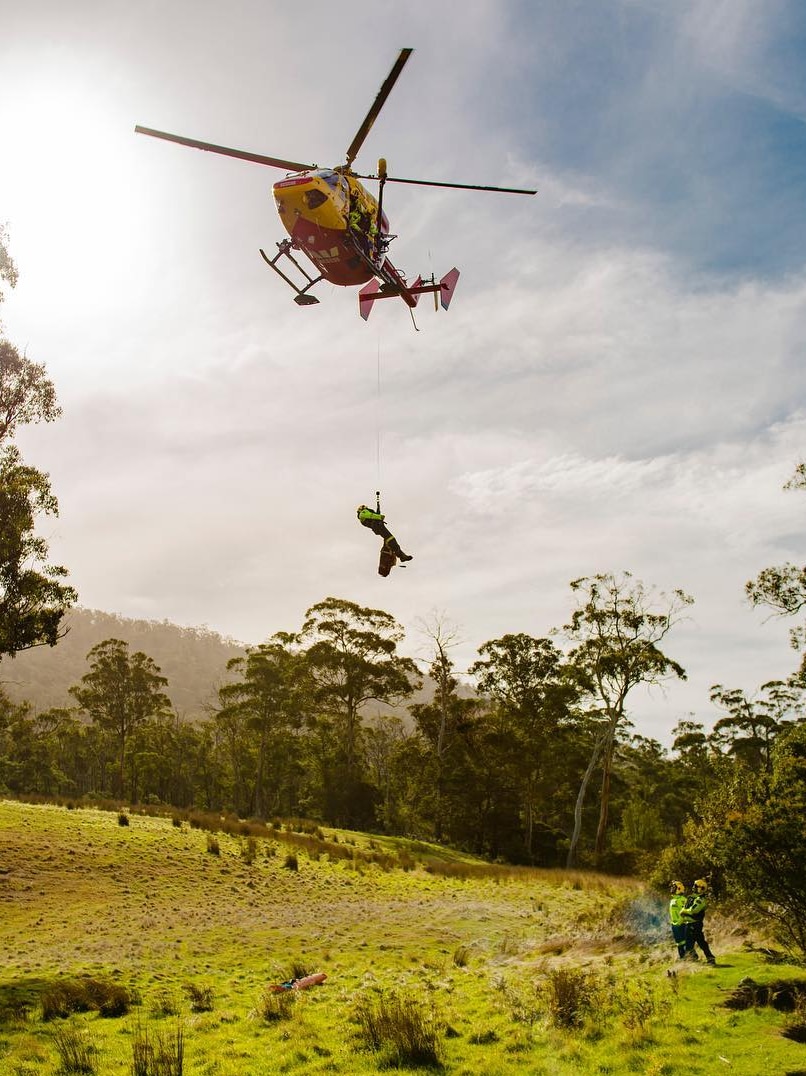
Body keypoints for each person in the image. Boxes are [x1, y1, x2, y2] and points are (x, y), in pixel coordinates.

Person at [357, 495, 412, 562]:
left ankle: (400, 554)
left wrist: (378, 512)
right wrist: (379, 517)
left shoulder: (363, 516)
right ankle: (401, 556)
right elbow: (370, 515)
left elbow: (371, 516)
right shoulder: (362, 513)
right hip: (378, 525)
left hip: (378, 526)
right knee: (391, 539)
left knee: (389, 539)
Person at [681, 878, 716, 964]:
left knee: (700, 942)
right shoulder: (692, 898)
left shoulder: (700, 900)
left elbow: (692, 911)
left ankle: (708, 957)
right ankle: (695, 958)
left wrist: (684, 911)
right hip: (689, 923)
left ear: (701, 888)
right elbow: (685, 908)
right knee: (691, 943)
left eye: (696, 886)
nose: (693, 887)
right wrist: (685, 911)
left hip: (695, 924)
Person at [668, 880, 688, 960]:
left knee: (685, 942)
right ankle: (683, 958)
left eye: (674, 887)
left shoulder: (682, 899)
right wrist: (674, 923)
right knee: (679, 943)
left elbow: (684, 912)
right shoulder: (673, 900)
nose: (672, 889)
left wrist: (679, 922)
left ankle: (693, 957)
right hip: (675, 925)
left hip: (681, 924)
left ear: (679, 888)